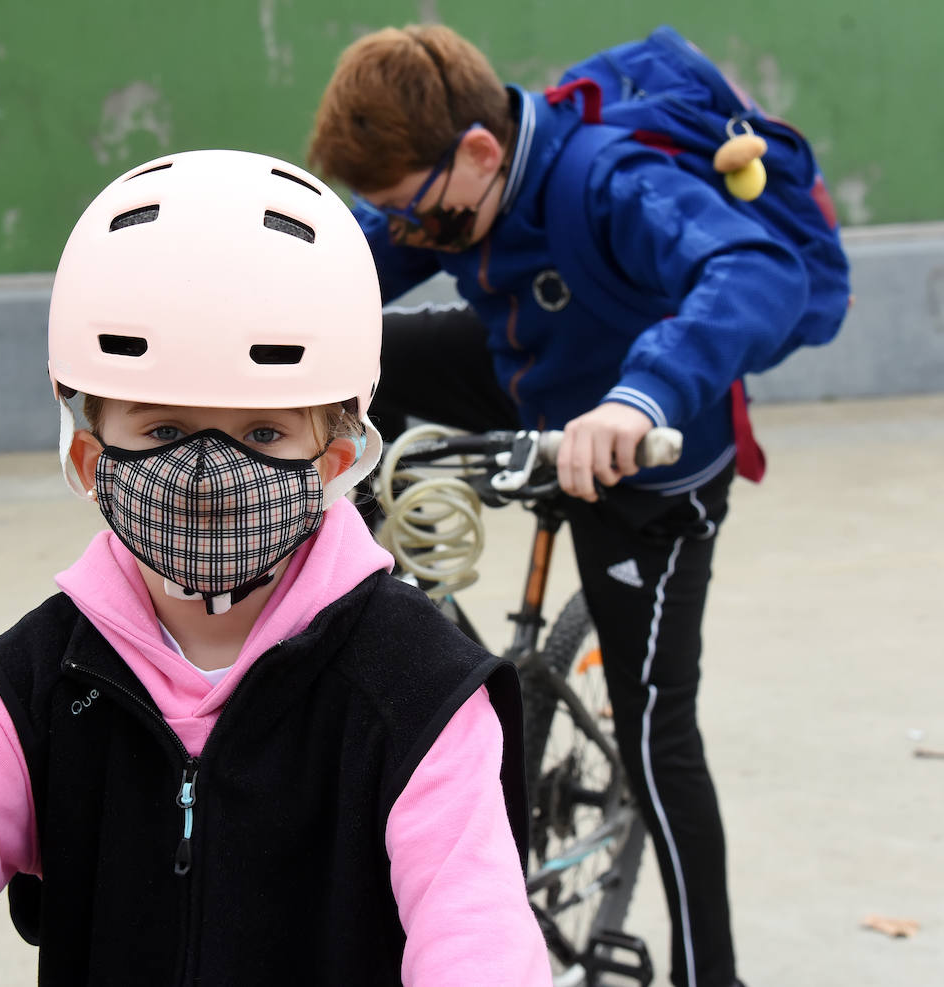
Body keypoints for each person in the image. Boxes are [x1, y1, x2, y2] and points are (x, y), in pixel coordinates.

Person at [0, 150, 552, 986]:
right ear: (86, 454)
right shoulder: (28, 694)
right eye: (160, 430)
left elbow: (476, 930)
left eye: (263, 434)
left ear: (337, 460)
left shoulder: (418, 694)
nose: (207, 477)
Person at [307, 24, 810, 987]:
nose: (413, 234)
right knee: (363, 364)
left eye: (420, 214)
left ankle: (717, 976)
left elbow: (756, 270)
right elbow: (355, 266)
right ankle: (356, 592)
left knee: (657, 732)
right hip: (535, 373)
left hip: (646, 451)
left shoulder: (608, 179)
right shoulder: (457, 189)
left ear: (481, 152)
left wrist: (639, 398)